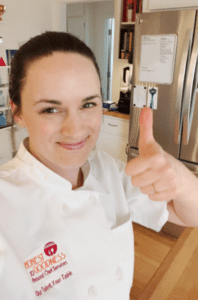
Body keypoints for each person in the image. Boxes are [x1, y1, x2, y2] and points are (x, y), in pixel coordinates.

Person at [0, 31, 198, 300]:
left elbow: (189, 215)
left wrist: (180, 177)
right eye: (51, 109)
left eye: (88, 104)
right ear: (18, 112)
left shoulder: (109, 170)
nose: (75, 128)